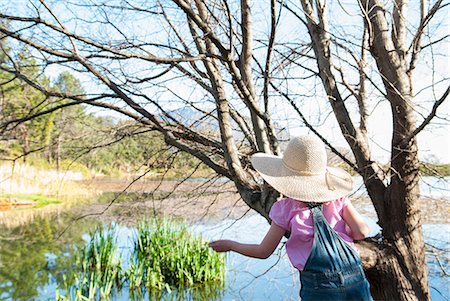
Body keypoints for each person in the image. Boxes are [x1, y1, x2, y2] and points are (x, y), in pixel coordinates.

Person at [209, 135, 373, 300]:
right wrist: (341, 236)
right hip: (356, 278)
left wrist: (231, 245)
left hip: (320, 288)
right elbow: (362, 231)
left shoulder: (285, 209)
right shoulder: (338, 199)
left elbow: (263, 251)